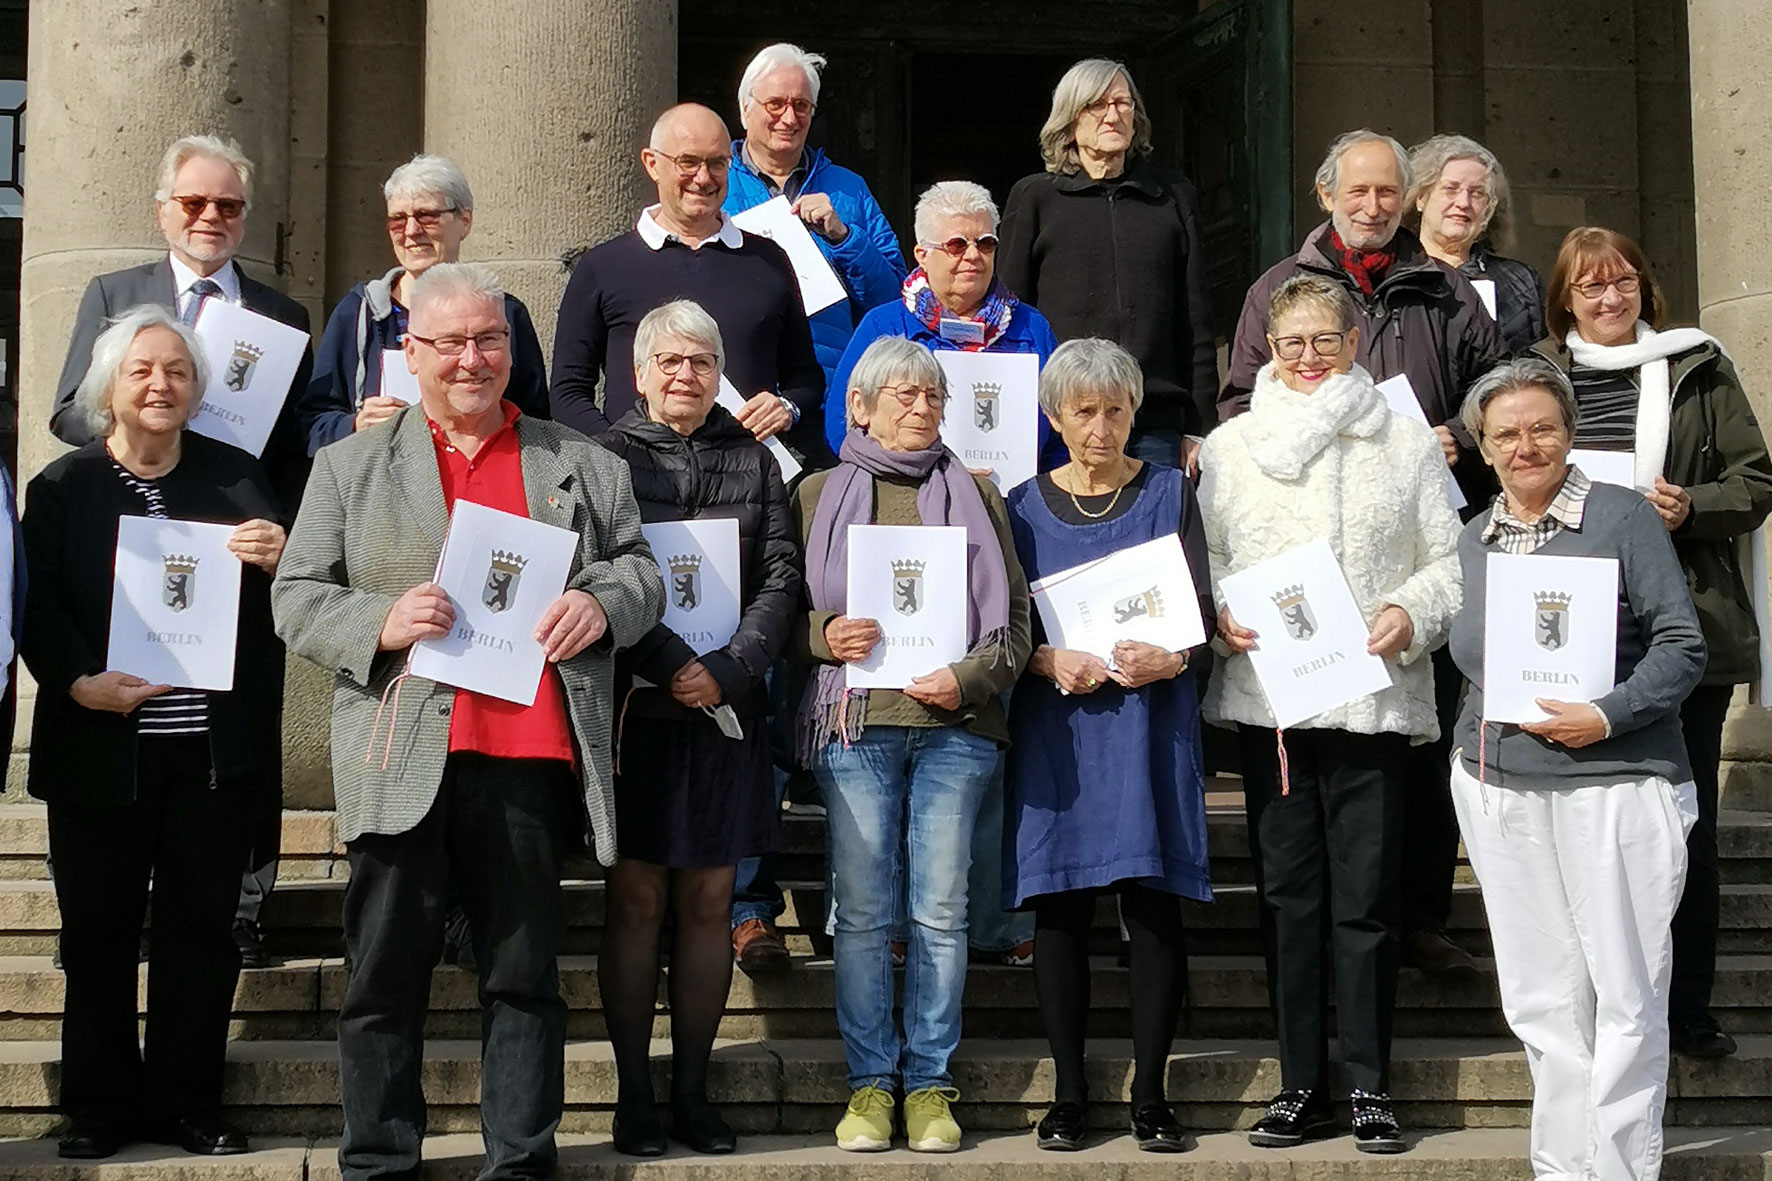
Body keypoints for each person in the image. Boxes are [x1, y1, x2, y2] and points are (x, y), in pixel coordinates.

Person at [270, 263, 665, 1180]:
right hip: (401, 754)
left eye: (488, 339)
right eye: (448, 342)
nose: (471, 359)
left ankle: (520, 1158)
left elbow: (643, 573)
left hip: (528, 758)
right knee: (380, 981)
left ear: (510, 348)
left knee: (524, 978)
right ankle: (378, 1158)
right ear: (411, 354)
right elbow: (293, 596)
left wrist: (603, 605)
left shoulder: (581, 462)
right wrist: (379, 620)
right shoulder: (348, 466)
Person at [1222, 129, 1504, 977]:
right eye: (1359, 191)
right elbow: (1240, 398)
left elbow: (1502, 385)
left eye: (1389, 192)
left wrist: (1455, 434)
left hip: (1408, 544)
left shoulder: (1449, 288)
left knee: (1417, 758)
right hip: (1301, 576)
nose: (1374, 205)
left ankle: (1416, 917)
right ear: (1327, 195)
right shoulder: (1277, 289)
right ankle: (1310, 960)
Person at [1199, 275, 1462, 1154]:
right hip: (1274, 704)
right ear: (1266, 352)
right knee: (1288, 899)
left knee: (1367, 902)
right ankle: (1299, 1081)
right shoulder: (1232, 448)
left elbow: (1448, 564)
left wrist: (1412, 615)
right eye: (1289, 344)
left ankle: (1370, 1085)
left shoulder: (1406, 439)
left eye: (1325, 341)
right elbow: (1211, 565)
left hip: (1374, 699)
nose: (1308, 359)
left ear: (1356, 342)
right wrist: (1221, 618)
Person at [23, 306, 287, 1159]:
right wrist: (76, 681)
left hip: (209, 751)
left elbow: (294, 599)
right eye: (142, 370)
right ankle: (97, 1104)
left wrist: (282, 554)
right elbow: (38, 606)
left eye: (176, 371)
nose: (160, 385)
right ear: (109, 388)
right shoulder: (62, 489)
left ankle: (187, 1100)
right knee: (95, 931)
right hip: (102, 745)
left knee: (200, 929)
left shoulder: (239, 477)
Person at [46, 135, 312, 966]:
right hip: (129, 548)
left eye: (227, 205)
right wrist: (150, 434)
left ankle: (244, 904)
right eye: (194, 203)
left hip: (234, 550)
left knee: (232, 754)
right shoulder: (114, 293)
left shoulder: (284, 316)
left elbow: (298, 447)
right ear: (164, 209)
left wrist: (281, 532)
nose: (210, 218)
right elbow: (66, 412)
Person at [1448, 357, 1706, 1181]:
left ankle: (1623, 1171)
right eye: (1506, 433)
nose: (1526, 446)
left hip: (1617, 782)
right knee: (1540, 1000)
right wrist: (1471, 760)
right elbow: (1475, 667)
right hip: (1501, 789)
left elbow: (1682, 645)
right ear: (1483, 448)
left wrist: (1605, 713)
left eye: (1542, 427)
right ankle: (1563, 1169)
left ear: (1568, 432)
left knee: (1626, 993)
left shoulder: (1623, 515)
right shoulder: (1474, 536)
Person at [1529, 226, 1772, 1059]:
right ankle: (1592, 1010)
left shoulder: (1698, 364)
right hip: (1572, 632)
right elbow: (1500, 462)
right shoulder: (1536, 377)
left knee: (1682, 826)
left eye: (1623, 282)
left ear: (1644, 287)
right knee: (1581, 835)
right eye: (1591, 287)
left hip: (1684, 626)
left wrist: (1691, 505)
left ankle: (1686, 1009)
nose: (1609, 298)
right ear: (1566, 297)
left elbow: (1758, 479)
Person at [792, 336, 1031, 1153]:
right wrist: (827, 633)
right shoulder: (817, 494)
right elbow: (779, 618)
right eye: (903, 394)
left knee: (941, 908)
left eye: (933, 395)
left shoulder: (979, 495)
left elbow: (1016, 630)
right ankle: (868, 1085)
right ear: (859, 406)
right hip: (854, 727)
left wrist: (965, 679)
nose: (922, 407)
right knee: (860, 911)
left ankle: (927, 1081)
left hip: (955, 731)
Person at [592, 300, 802, 1156]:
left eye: (702, 362)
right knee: (639, 898)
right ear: (638, 374)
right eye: (669, 361)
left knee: (713, 897)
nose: (686, 375)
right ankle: (634, 1094)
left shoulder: (757, 460)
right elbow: (596, 570)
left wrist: (732, 665)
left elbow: (783, 573)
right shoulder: (602, 459)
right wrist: (670, 659)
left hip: (728, 706)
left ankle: (693, 1091)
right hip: (639, 706)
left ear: (721, 373)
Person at [1003, 338, 1213, 1153]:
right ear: (1054, 417)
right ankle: (1068, 1093)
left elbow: (1200, 602)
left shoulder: (1169, 491)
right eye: (1083, 411)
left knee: (1152, 903)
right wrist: (1045, 657)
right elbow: (1005, 623)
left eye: (1116, 409)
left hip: (1149, 720)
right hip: (1058, 727)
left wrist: (1177, 653)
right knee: (1060, 906)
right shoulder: (1018, 506)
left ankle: (1152, 1096)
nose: (1100, 426)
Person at [550, 103, 826, 460]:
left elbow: (805, 375)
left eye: (716, 163)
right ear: (652, 164)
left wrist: (787, 407)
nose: (703, 178)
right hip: (637, 485)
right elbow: (568, 392)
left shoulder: (768, 260)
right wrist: (616, 453)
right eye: (688, 162)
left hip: (747, 481)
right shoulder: (602, 267)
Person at [999, 59, 1217, 472]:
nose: (1113, 115)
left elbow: (1196, 319)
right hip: (1061, 423)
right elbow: (1011, 316)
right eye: (1097, 105)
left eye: (1123, 103)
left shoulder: (1172, 196)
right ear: (1070, 119)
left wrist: (1200, 425)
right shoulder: (1035, 198)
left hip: (1155, 423)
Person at [297, 153, 551, 454]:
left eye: (426, 216)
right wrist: (355, 425)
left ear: (465, 221)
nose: (411, 231)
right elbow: (311, 425)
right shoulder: (356, 314)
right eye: (397, 220)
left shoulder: (504, 313)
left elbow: (537, 426)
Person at [826, 181, 1061, 465]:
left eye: (985, 243)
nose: (973, 256)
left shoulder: (1031, 327)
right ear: (922, 255)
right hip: (910, 498)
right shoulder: (883, 327)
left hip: (1014, 503)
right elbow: (842, 422)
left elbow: (1063, 425)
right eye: (956, 245)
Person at [724, 42, 907, 384]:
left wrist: (845, 238)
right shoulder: (713, 184)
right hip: (737, 382)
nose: (789, 118)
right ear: (745, 109)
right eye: (775, 104)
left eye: (802, 106)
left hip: (828, 383)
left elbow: (892, 300)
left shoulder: (849, 189)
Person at [1407, 134, 1546, 355]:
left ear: (1489, 210)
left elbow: (1537, 361)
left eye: (1477, 193)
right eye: (1451, 189)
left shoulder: (1521, 281)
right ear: (1421, 197)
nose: (1463, 203)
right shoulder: (1391, 274)